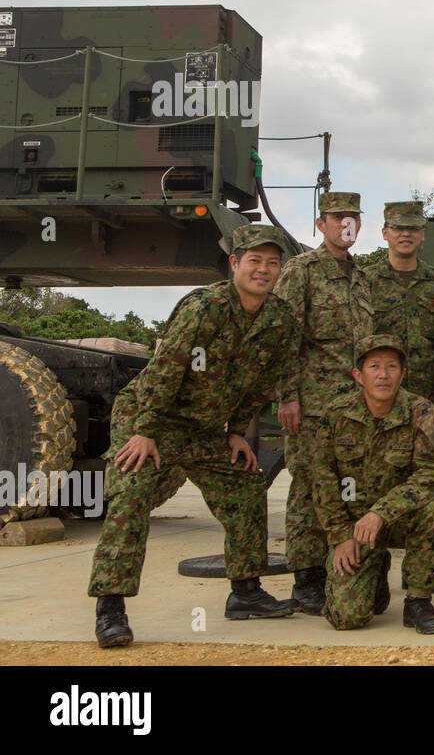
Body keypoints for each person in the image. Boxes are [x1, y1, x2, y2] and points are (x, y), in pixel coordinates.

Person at [89, 225, 301, 648]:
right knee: (130, 500)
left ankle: (245, 594)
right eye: (254, 261)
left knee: (244, 490)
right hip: (153, 419)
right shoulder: (205, 306)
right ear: (235, 263)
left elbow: (260, 384)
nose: (263, 269)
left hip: (206, 430)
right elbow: (167, 368)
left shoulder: (279, 320)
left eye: (272, 262)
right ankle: (110, 608)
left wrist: (236, 432)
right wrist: (145, 430)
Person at [272, 191, 374, 615]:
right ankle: (306, 578)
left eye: (352, 218)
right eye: (337, 218)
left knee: (349, 486)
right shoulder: (300, 271)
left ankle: (343, 566)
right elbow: (282, 336)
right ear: (321, 225)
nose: (345, 224)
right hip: (312, 405)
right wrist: (287, 396)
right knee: (308, 489)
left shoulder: (363, 278)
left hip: (355, 408)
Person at [313, 336, 434, 634]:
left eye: (391, 367)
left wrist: (381, 512)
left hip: (401, 519)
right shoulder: (335, 414)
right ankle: (374, 573)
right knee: (346, 618)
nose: (383, 374)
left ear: (403, 374)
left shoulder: (424, 412)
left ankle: (418, 601)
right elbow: (322, 479)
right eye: (374, 366)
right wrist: (339, 535)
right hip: (354, 528)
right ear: (358, 375)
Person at [364, 199, 434, 594]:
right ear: (384, 233)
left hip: (425, 403)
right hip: (378, 403)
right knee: (373, 479)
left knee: (429, 488)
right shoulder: (365, 281)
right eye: (397, 228)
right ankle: (371, 562)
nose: (405, 234)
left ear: (422, 235)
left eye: (413, 228)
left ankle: (424, 575)